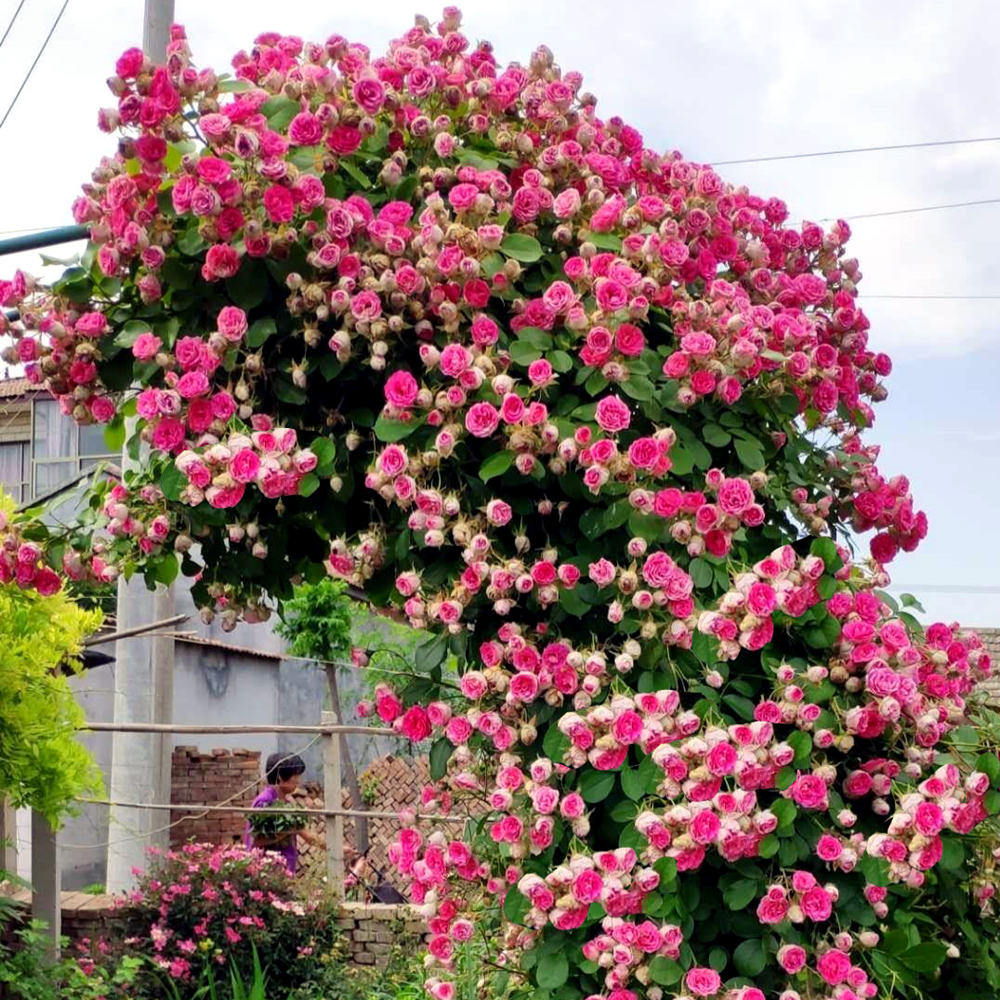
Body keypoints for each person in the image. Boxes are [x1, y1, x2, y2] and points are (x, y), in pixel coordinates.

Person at [244, 751, 320, 875]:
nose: (298, 781)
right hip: (268, 873)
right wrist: (285, 832)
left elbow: (308, 836)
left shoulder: (284, 801)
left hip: (284, 871)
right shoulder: (265, 801)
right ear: (280, 776)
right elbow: (255, 840)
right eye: (295, 776)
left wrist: (339, 849)